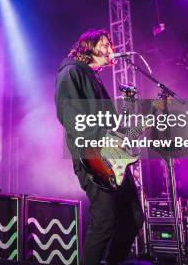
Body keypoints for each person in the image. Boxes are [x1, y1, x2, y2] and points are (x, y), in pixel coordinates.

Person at [55, 29, 144, 265]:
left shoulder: (93, 77)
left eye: (110, 44)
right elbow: (71, 118)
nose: (110, 49)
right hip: (92, 157)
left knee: (134, 218)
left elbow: (109, 125)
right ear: (88, 47)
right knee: (105, 221)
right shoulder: (71, 71)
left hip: (113, 158)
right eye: (104, 44)